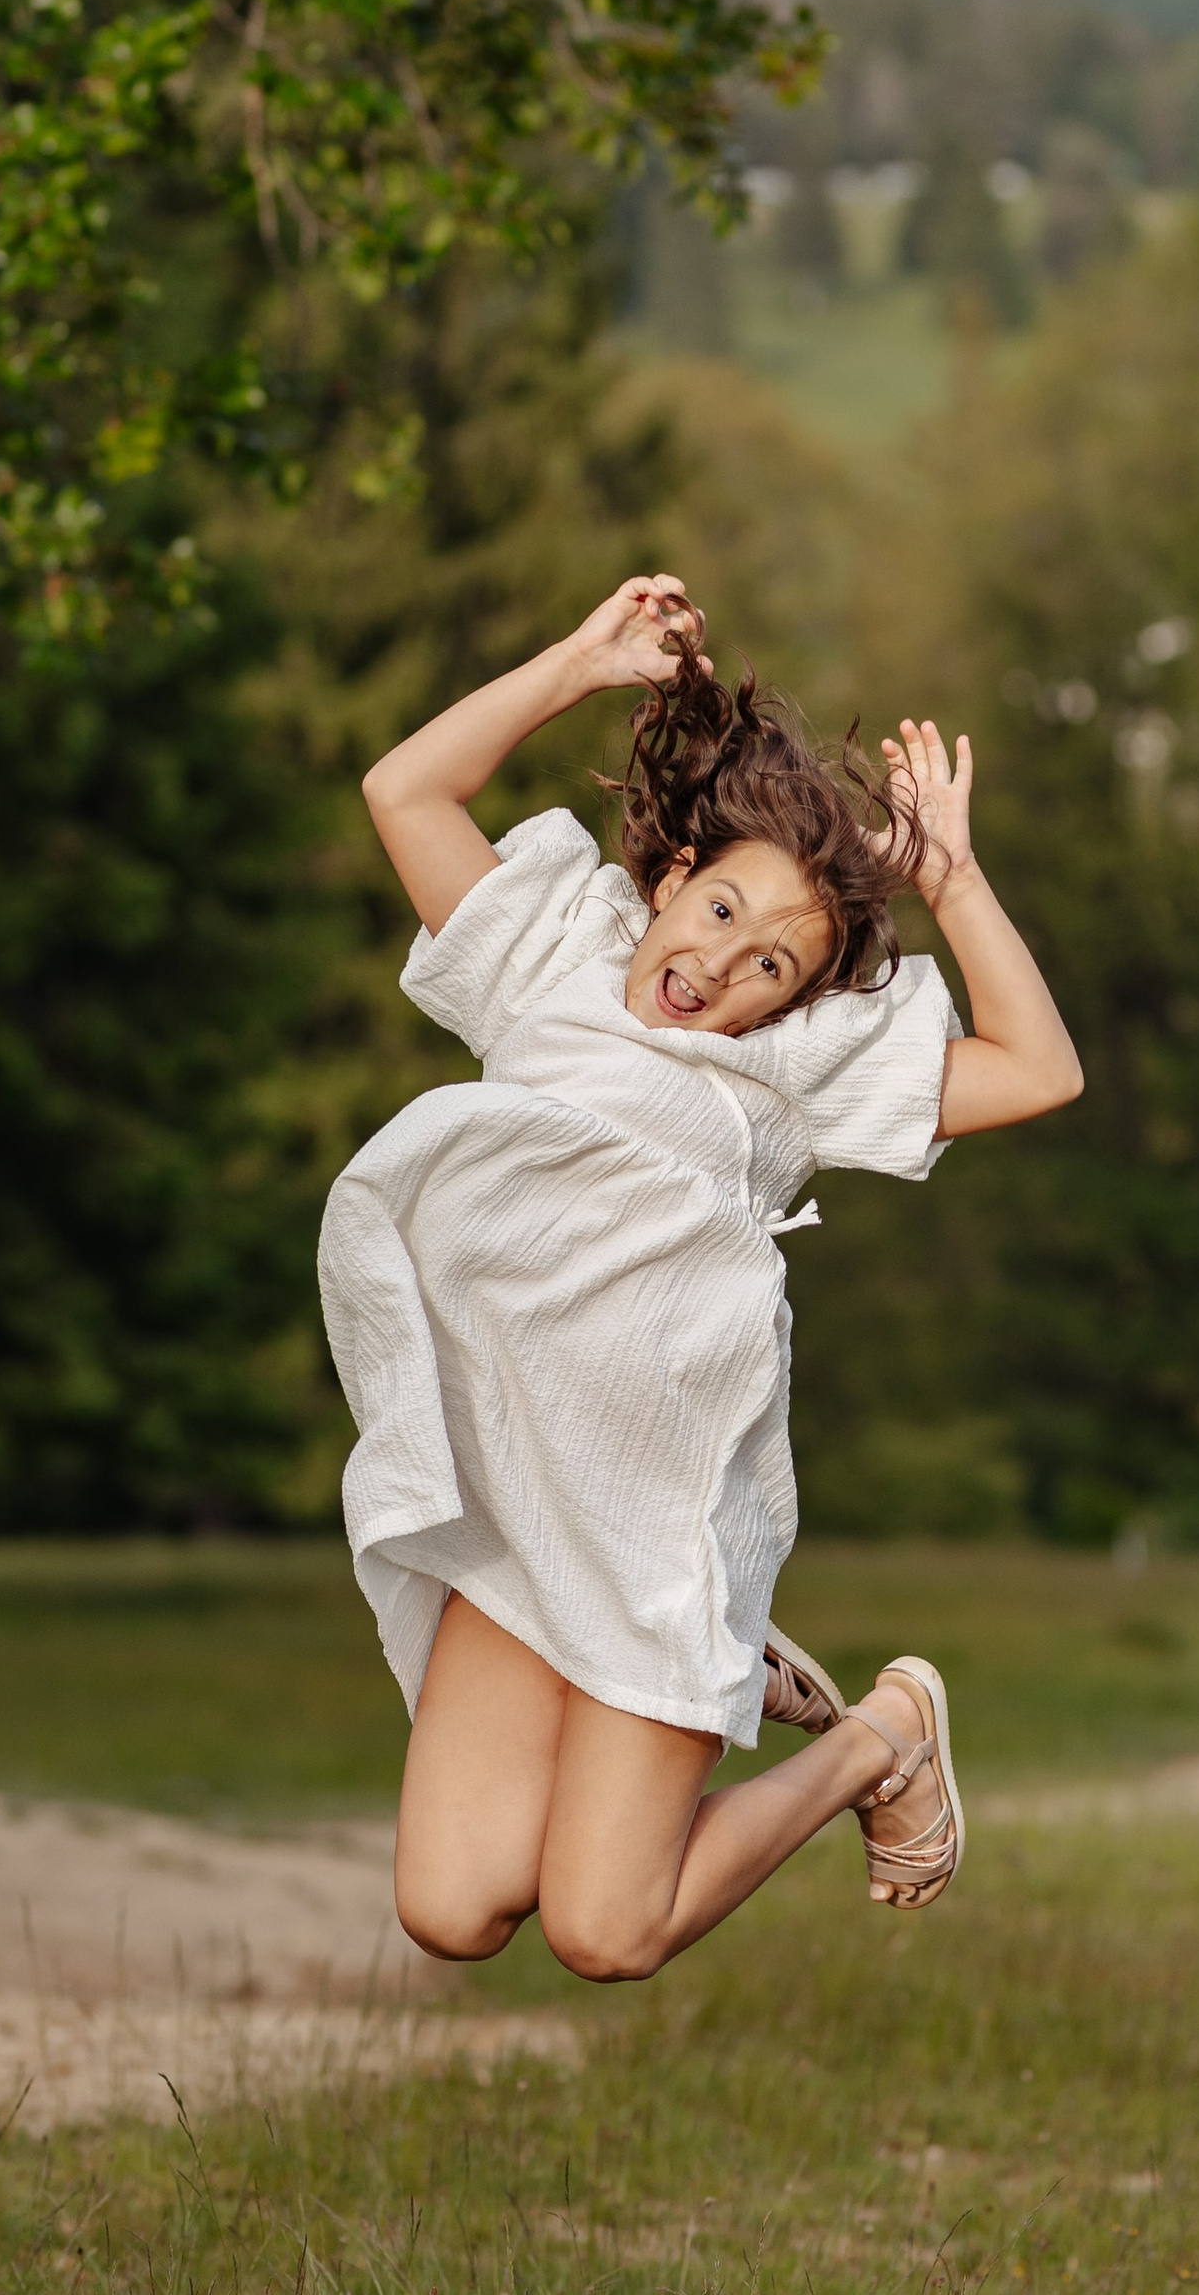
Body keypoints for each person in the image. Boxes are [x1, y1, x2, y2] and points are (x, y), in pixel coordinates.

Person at [319, 573, 1082, 1984]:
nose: (719, 960)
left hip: (661, 1526)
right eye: (718, 908)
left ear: (795, 1000)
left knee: (610, 1931)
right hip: (510, 1505)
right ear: (670, 879)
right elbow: (404, 792)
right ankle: (755, 1679)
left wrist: (952, 880)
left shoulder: (790, 1078)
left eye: (771, 961)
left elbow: (1042, 1072)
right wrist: (580, 662)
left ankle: (880, 1738)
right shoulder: (547, 957)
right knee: (455, 1905)